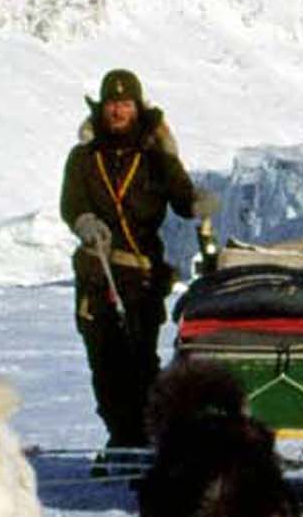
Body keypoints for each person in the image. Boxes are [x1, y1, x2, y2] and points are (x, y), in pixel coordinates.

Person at [61, 69, 212, 448]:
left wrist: (196, 203)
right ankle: (121, 437)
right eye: (112, 104)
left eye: (125, 104)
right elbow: (71, 203)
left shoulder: (155, 156)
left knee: (141, 362)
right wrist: (85, 221)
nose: (118, 111)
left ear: (137, 107)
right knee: (103, 362)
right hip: (96, 272)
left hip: (141, 274)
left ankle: (145, 438)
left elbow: (181, 197)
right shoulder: (83, 158)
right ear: (102, 108)